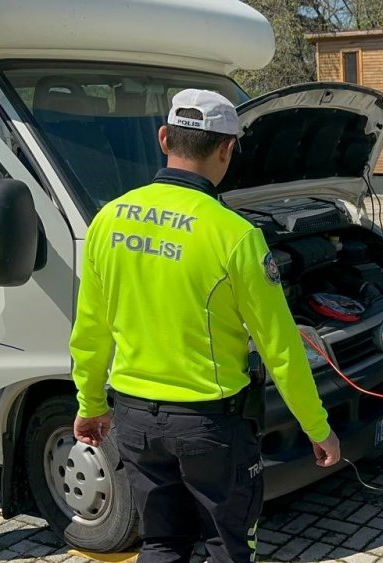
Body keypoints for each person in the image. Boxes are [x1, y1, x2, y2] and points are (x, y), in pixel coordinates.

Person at [69, 88, 340, 562]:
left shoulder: (106, 221)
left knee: (161, 543)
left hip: (133, 419)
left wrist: (91, 404)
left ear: (163, 138)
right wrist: (318, 428)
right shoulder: (235, 236)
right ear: (226, 148)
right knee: (227, 546)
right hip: (209, 427)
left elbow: (89, 330)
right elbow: (281, 349)